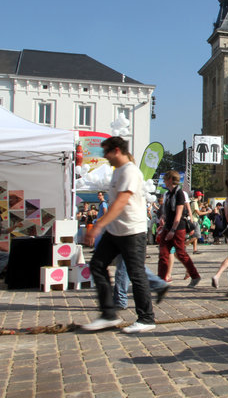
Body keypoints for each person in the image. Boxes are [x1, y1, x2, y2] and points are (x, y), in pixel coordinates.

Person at [82, 136, 156, 333]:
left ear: (116, 150)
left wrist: (98, 226)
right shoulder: (118, 172)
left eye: (106, 152)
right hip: (115, 231)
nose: (104, 156)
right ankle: (108, 314)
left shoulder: (130, 171)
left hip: (132, 231)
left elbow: (121, 201)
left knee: (136, 273)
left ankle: (146, 318)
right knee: (97, 265)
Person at [156, 170, 201, 287]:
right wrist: (163, 216)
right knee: (163, 253)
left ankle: (195, 275)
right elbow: (168, 212)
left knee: (181, 253)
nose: (164, 182)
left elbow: (178, 214)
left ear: (170, 180)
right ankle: (161, 279)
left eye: (165, 179)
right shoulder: (168, 194)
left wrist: (172, 230)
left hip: (177, 228)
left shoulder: (179, 193)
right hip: (168, 226)